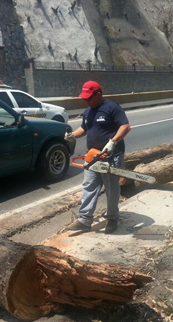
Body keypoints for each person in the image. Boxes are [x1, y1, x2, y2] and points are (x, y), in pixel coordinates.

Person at [65, 81, 131, 234]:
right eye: (85, 98)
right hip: (93, 156)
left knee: (111, 189)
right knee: (89, 186)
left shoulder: (112, 108)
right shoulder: (88, 111)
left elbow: (125, 126)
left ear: (99, 94)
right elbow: (85, 128)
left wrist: (113, 142)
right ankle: (84, 219)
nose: (86, 101)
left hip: (111, 156)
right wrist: (72, 135)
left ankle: (112, 218)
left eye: (89, 98)